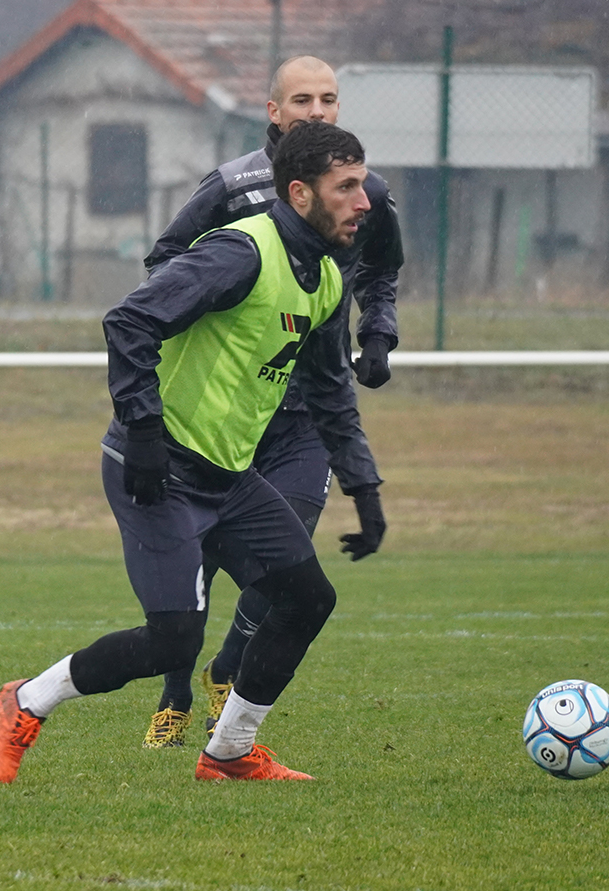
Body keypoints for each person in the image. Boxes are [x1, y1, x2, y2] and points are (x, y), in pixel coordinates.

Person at [0, 120, 387, 783]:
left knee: (308, 598)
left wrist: (363, 488)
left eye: (362, 183)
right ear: (301, 193)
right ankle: (25, 702)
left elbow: (330, 393)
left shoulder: (326, 280)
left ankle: (229, 750)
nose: (364, 199)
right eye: (345, 186)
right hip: (159, 470)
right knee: (173, 639)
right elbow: (130, 321)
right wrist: (141, 431)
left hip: (229, 479)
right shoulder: (241, 252)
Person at [140, 54, 404, 748]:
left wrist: (377, 333)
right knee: (195, 561)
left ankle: (227, 671)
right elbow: (164, 262)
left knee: (291, 547)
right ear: (274, 111)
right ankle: (174, 689)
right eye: (302, 100)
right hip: (226, 409)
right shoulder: (232, 188)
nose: (316, 111)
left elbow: (382, 272)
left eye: (328, 99)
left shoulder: (365, 192)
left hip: (305, 408)